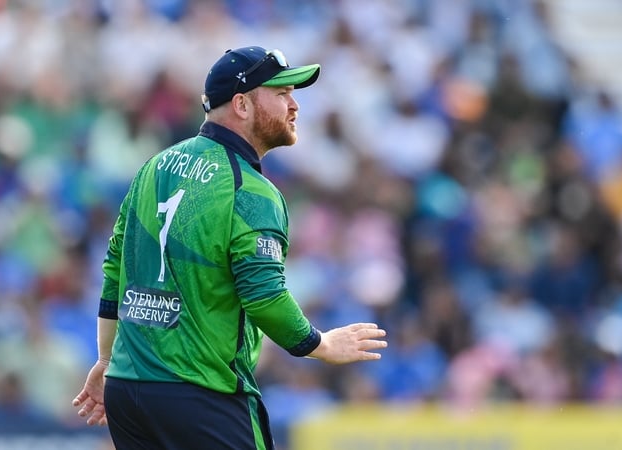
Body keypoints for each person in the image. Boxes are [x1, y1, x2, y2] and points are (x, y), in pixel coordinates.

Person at [71, 46, 388, 449]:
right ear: (241, 104)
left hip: (129, 389)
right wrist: (321, 345)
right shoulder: (252, 192)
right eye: (281, 94)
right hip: (201, 394)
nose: (294, 106)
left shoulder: (155, 166)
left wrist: (105, 360)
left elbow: (116, 267)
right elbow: (264, 298)